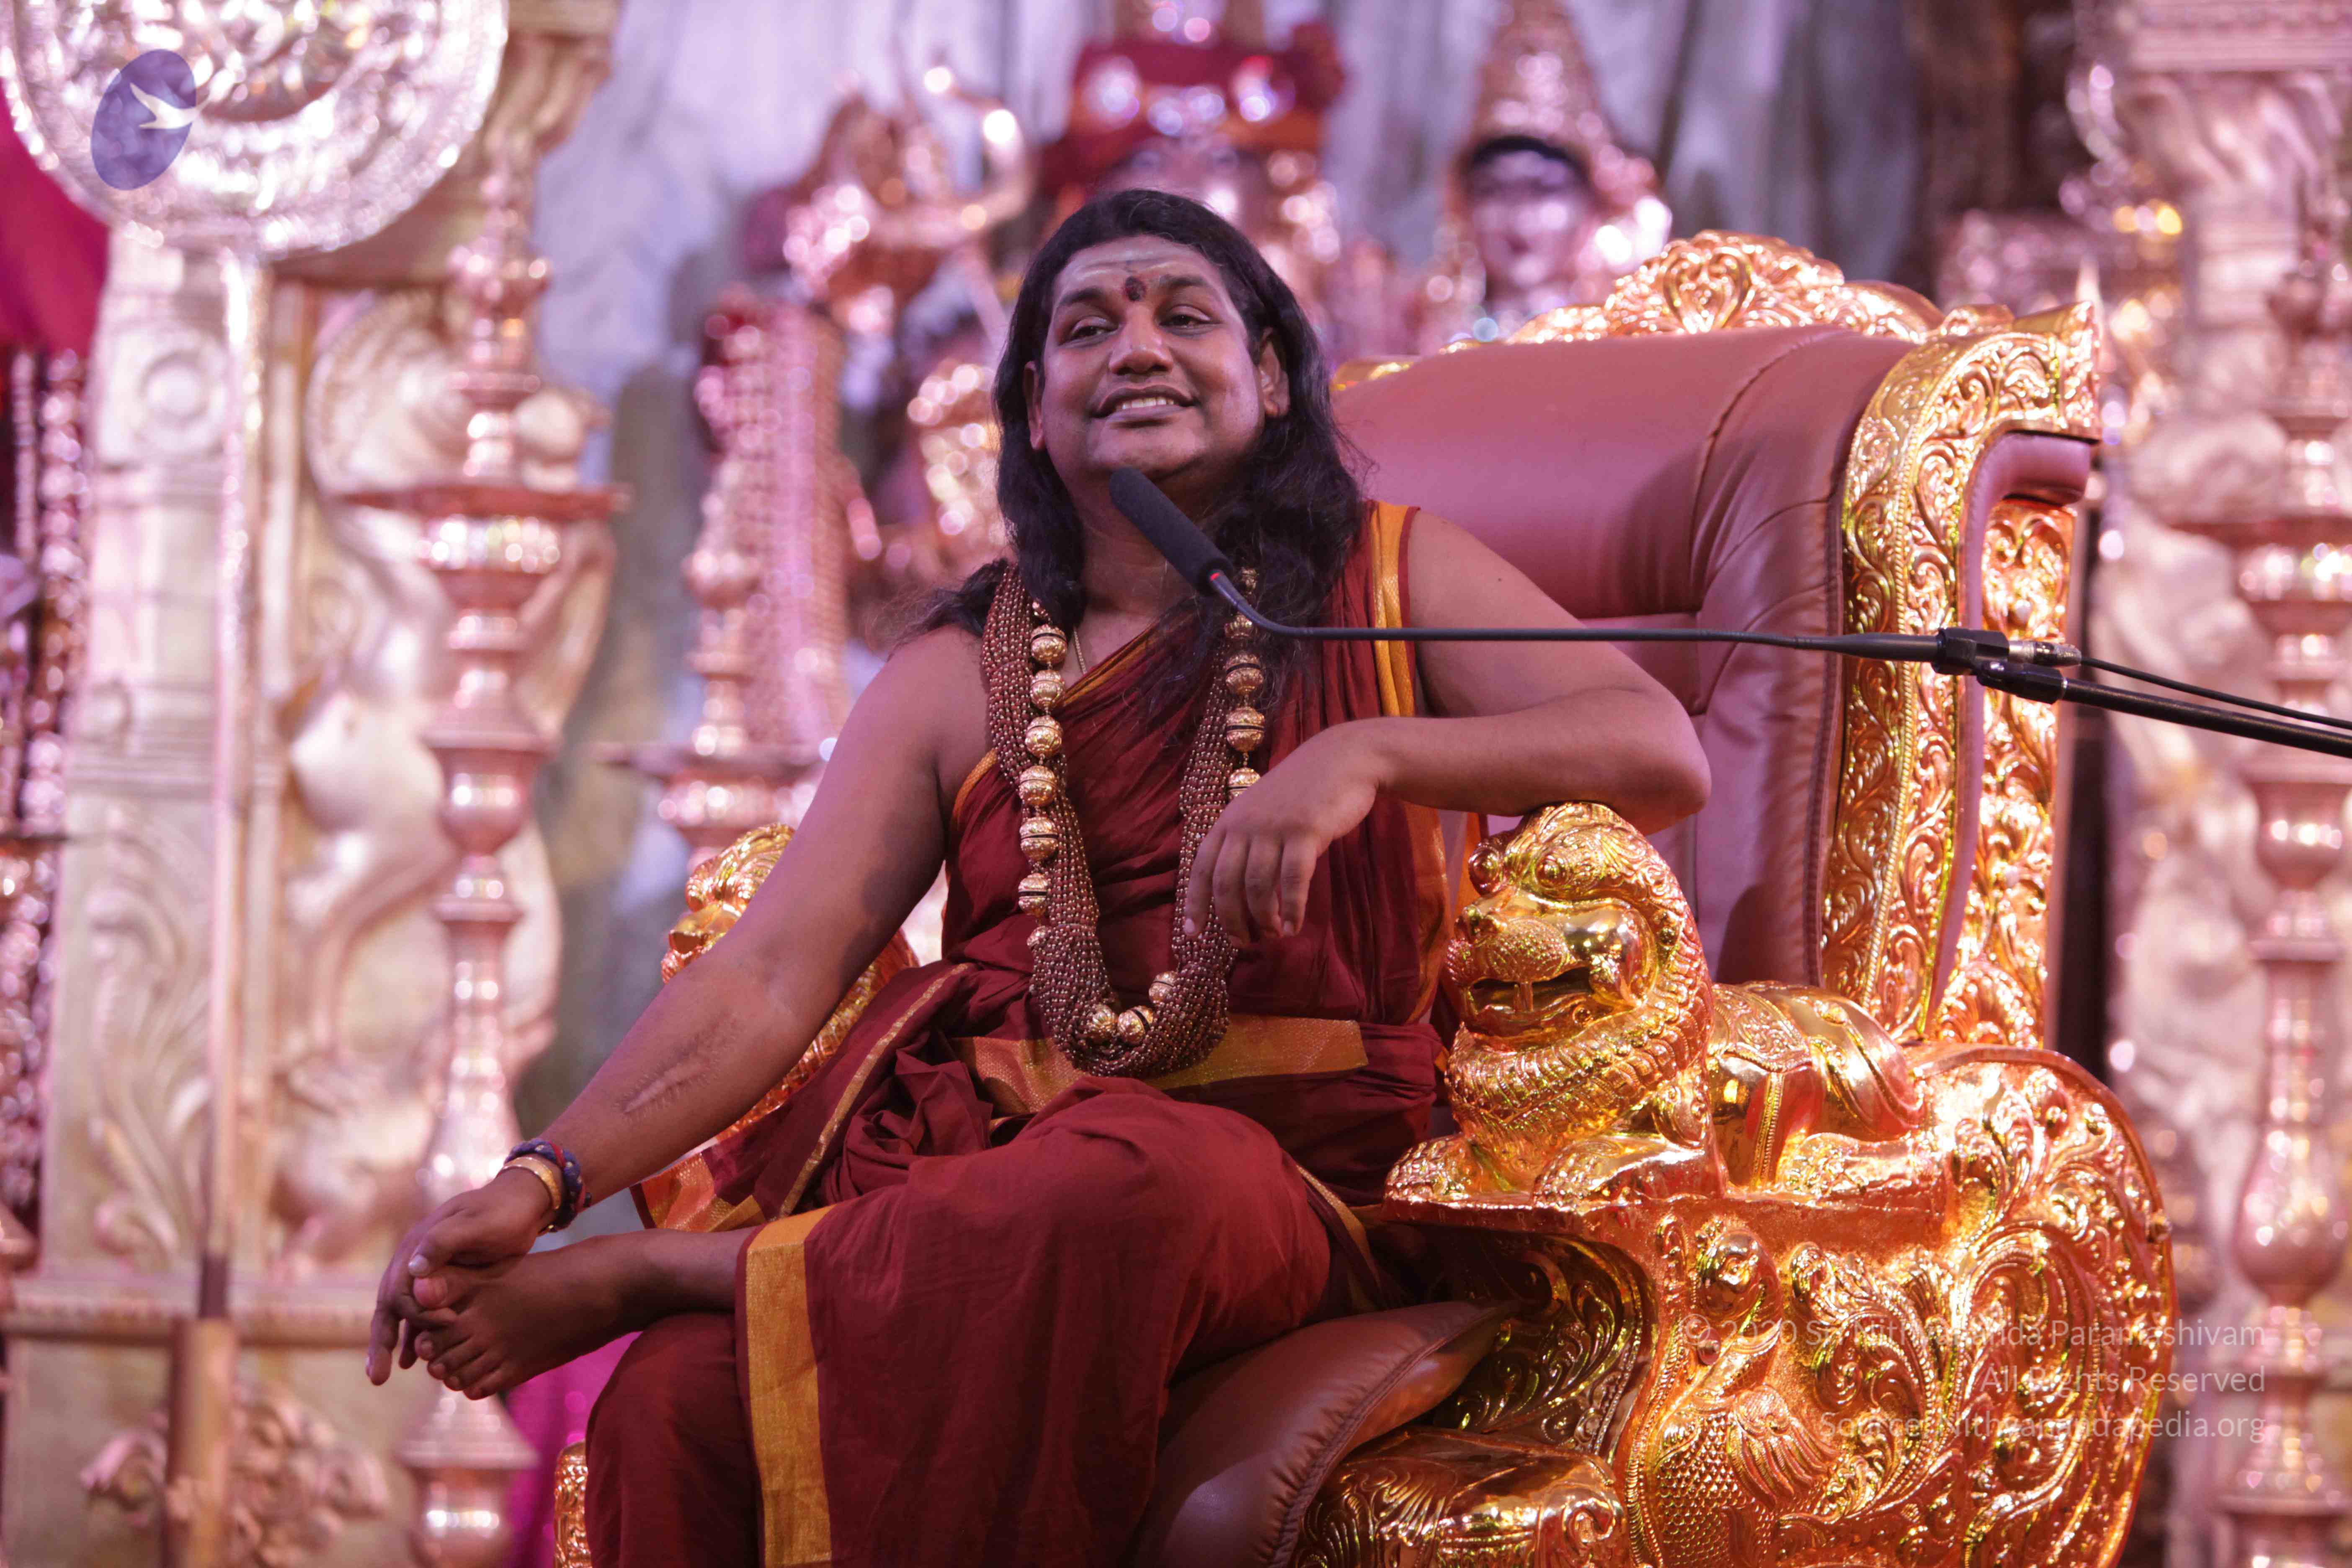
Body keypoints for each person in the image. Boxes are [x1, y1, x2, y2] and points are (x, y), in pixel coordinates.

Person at [364, 187, 1708, 1568]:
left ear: (1269, 378)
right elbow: (770, 973)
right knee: (678, 1406)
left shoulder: (1387, 579)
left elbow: (1656, 746)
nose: (1138, 347)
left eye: (1183, 315)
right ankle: (683, 1287)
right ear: (1033, 407)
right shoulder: (964, 669)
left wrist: (1367, 752)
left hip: (1290, 1199)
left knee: (1136, 1175)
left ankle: (656, 1270)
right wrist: (541, 1181)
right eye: (1086, 328)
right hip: (988, 1182)